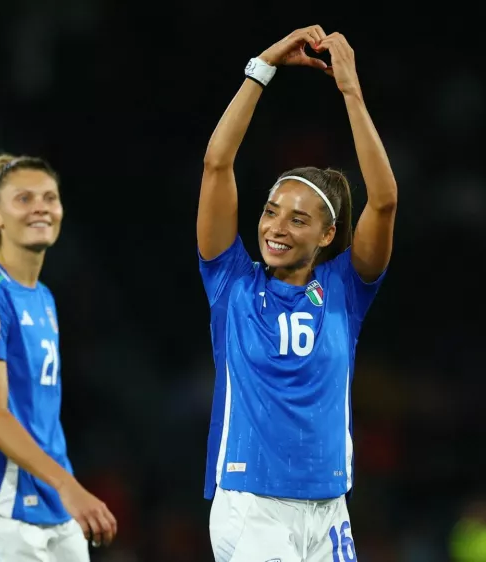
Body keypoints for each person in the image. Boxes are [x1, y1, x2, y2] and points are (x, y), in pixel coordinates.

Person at [198, 25, 398, 562]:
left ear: (329, 235)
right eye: (269, 211)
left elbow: (383, 202)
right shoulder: (231, 283)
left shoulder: (344, 292)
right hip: (253, 504)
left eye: (298, 218)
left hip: (330, 508)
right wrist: (261, 67)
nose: (275, 226)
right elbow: (218, 164)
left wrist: (351, 92)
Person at [0, 154, 117, 560]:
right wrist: (69, 486)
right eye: (23, 198)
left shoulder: (43, 297)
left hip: (53, 506)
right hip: (1, 513)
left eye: (49, 197)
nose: (41, 206)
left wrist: (63, 487)